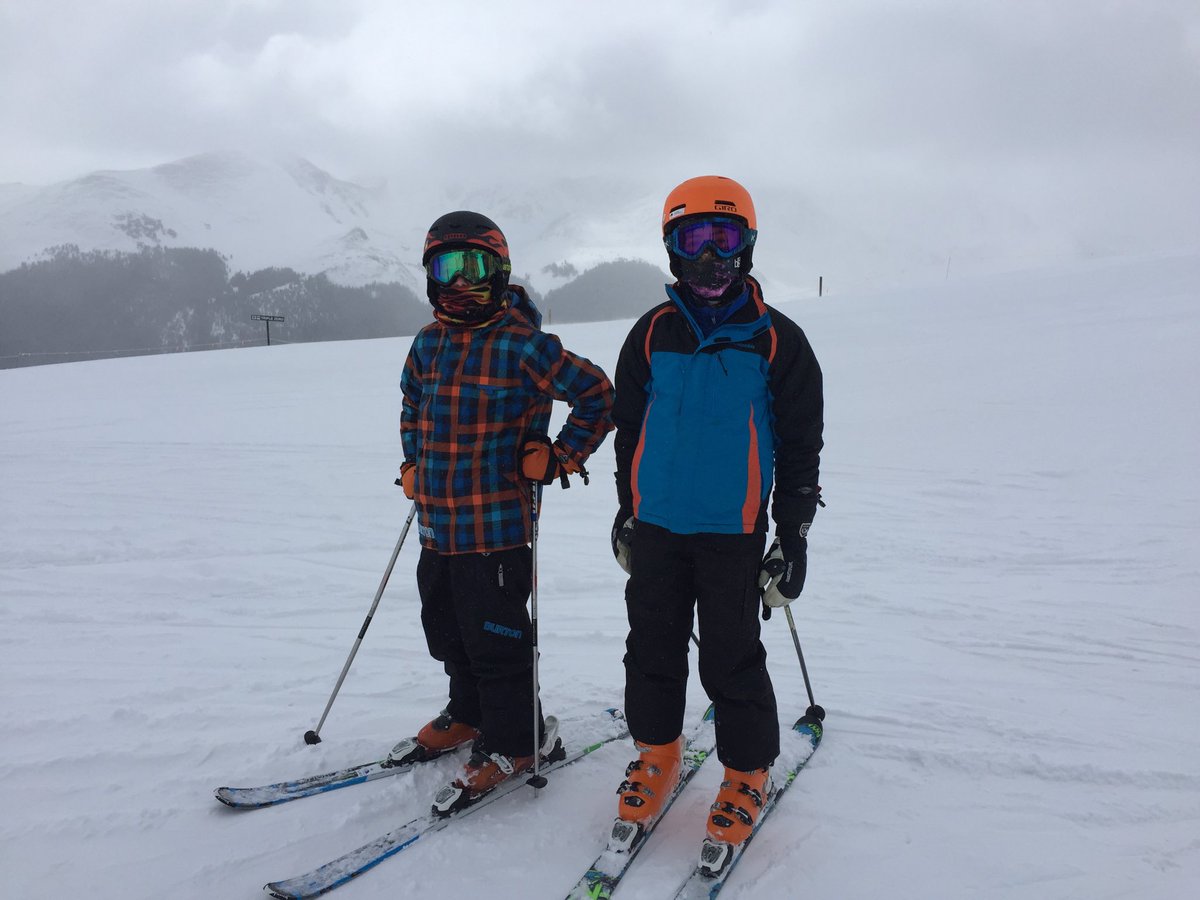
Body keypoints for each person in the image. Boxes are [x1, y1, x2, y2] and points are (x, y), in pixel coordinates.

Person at [609, 176, 824, 866]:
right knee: (652, 644)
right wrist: (627, 512)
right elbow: (628, 431)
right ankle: (658, 752)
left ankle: (747, 769)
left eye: (723, 239)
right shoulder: (649, 335)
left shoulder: (777, 343)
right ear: (671, 249)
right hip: (660, 528)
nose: (710, 258)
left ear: (748, 247)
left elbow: (799, 450)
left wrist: (790, 537)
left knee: (730, 653)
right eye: (693, 239)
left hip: (732, 534)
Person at [393, 210, 614, 815]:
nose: (461, 282)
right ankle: (468, 715)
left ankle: (518, 742)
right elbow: (413, 405)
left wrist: (561, 455)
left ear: (500, 270)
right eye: (447, 267)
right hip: (437, 525)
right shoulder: (427, 343)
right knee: (447, 630)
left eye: (476, 267)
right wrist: (411, 463)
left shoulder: (524, 344)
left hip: (497, 528)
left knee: (497, 641)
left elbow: (598, 394)